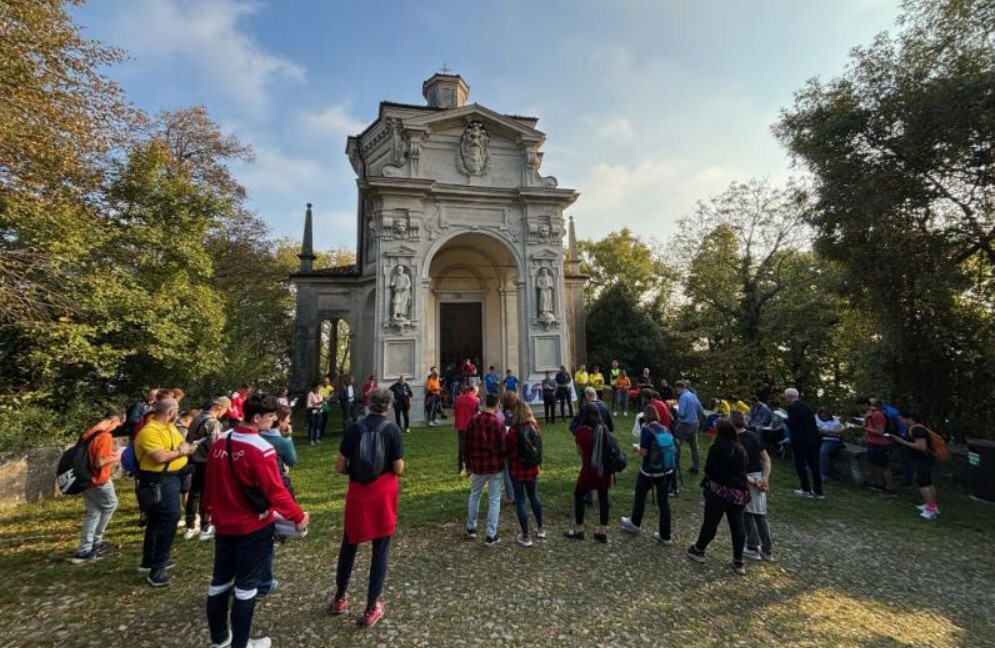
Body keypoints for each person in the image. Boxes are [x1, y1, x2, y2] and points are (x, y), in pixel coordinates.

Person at [203, 393, 309, 648]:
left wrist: (207, 509)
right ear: (257, 417)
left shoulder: (221, 442)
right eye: (271, 417)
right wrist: (298, 516)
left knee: (220, 583)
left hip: (224, 523)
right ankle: (240, 644)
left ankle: (220, 640)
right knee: (246, 588)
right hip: (252, 525)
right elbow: (275, 491)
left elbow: (210, 481)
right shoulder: (261, 448)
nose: (273, 422)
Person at [329, 387, 404, 628]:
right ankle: (371, 607)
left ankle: (339, 597)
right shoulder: (392, 430)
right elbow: (398, 467)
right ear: (389, 406)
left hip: (358, 492)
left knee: (349, 543)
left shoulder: (354, 429)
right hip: (383, 494)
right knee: (380, 550)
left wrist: (353, 470)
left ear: (368, 403)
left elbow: (340, 466)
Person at [134, 397, 195, 586]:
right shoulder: (149, 431)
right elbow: (159, 456)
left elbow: (181, 445)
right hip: (158, 479)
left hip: (172, 476)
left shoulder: (170, 428)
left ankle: (149, 560)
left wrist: (184, 449)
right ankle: (157, 569)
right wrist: (181, 452)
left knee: (156, 521)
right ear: (170, 412)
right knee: (169, 519)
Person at [686, 419, 750, 575]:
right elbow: (745, 468)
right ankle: (738, 560)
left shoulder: (716, 447)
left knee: (711, 522)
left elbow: (710, 470)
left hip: (720, 491)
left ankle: (699, 549)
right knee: (737, 525)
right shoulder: (740, 448)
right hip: (739, 493)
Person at [69, 410, 124, 564]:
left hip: (84, 478)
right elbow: (99, 462)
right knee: (111, 505)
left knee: (93, 511)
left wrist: (109, 454)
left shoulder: (90, 432)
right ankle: (96, 541)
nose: (116, 428)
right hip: (99, 479)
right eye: (118, 425)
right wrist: (117, 457)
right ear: (114, 421)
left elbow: (91, 453)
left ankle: (85, 548)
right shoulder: (105, 436)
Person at [620, 406, 675, 546]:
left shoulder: (646, 430)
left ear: (646, 416)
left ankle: (635, 523)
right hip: (666, 470)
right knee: (664, 503)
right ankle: (665, 536)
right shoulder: (665, 429)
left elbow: (644, 452)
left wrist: (636, 448)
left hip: (649, 471)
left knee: (640, 497)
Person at [564, 403, 613, 543]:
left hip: (589, 469)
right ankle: (603, 531)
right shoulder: (604, 429)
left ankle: (579, 528)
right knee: (603, 498)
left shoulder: (581, 432)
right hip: (603, 469)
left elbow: (580, 451)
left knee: (579, 495)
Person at [183, 397, 229, 541]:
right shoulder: (213, 423)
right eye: (225, 410)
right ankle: (205, 525)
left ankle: (190, 525)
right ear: (220, 408)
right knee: (207, 495)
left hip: (194, 460)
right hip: (207, 462)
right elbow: (215, 446)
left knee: (194, 493)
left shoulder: (196, 419)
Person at [732, 411, 774, 562]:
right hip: (758, 476)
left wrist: (756, 481)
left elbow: (737, 468)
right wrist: (764, 477)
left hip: (747, 478)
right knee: (759, 513)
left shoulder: (734, 440)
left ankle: (753, 547)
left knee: (748, 513)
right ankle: (766, 549)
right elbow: (766, 459)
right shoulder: (754, 436)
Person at [464, 393, 505, 546]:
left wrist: (468, 464)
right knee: (494, 500)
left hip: (477, 465)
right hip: (494, 466)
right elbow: (503, 447)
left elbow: (466, 445)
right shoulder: (498, 423)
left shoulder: (473, 420)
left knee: (475, 495)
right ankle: (490, 534)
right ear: (497, 405)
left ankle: (471, 527)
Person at [506, 400, 545, 547]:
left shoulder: (513, 431)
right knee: (534, 496)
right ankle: (541, 528)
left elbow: (507, 449)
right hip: (532, 467)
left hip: (517, 468)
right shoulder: (535, 426)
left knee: (520, 500)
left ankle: (526, 536)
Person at [895, 411, 940, 520]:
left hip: (923, 459)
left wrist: (903, 442)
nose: (901, 421)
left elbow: (922, 447)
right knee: (927, 482)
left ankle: (930, 510)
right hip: (923, 459)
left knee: (923, 483)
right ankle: (931, 504)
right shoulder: (914, 428)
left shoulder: (917, 430)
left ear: (910, 418)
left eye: (902, 419)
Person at [784, 388, 824, 499]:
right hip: (813, 439)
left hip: (800, 440)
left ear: (789, 397)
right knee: (814, 465)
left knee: (800, 464)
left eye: (786, 397)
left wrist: (785, 420)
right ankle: (818, 491)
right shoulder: (807, 406)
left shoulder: (792, 407)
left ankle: (805, 489)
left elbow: (793, 424)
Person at [859, 397, 895, 496]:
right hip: (871, 442)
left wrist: (866, 429)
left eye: (860, 406)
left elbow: (880, 431)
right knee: (874, 464)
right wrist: (865, 419)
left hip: (880, 443)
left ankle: (889, 488)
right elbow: (864, 426)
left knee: (883, 466)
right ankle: (878, 484)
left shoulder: (878, 415)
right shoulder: (868, 414)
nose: (859, 409)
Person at [260, 405, 299, 497]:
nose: (289, 421)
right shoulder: (282, 441)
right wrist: (288, 437)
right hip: (278, 483)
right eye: (288, 418)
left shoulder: (256, 436)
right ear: (280, 421)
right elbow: (292, 461)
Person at [674, 381, 704, 474]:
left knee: (676, 444)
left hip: (685, 424)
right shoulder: (693, 395)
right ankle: (696, 466)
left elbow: (682, 414)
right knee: (694, 447)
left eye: (676, 389)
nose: (676, 391)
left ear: (679, 387)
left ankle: (674, 466)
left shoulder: (683, 397)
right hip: (694, 424)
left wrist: (676, 410)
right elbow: (700, 409)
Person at [453, 383, 479, 475]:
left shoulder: (458, 398)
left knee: (462, 448)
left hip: (461, 426)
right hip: (471, 427)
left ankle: (461, 468)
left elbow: (455, 411)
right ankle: (470, 468)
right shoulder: (476, 400)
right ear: (474, 390)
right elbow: (476, 415)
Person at [816, 407, 843, 482]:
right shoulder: (816, 419)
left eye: (826, 416)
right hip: (819, 438)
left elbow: (839, 432)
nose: (824, 417)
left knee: (823, 452)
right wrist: (831, 432)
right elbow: (817, 430)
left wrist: (827, 432)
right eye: (822, 416)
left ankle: (823, 474)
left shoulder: (835, 420)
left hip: (832, 440)